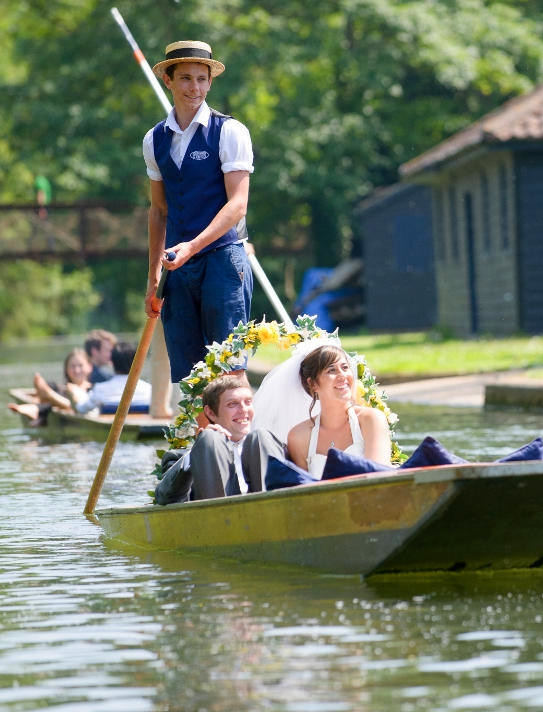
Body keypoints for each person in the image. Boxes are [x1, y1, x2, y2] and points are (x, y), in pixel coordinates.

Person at [143, 40, 254, 384]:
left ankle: (237, 438)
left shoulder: (230, 132)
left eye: (202, 79)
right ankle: (201, 440)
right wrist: (152, 278)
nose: (195, 88)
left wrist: (193, 246)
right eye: (187, 78)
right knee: (192, 379)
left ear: (210, 82)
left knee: (229, 369)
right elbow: (159, 211)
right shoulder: (154, 139)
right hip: (178, 268)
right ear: (169, 81)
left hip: (223, 259)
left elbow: (237, 205)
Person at [249, 338, 391, 479]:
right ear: (313, 384)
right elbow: (301, 487)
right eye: (332, 370)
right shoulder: (299, 437)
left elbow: (379, 476)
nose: (343, 375)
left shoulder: (371, 420)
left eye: (345, 367)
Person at [154, 374, 286, 504]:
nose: (243, 410)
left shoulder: (270, 444)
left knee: (260, 436)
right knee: (210, 438)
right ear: (210, 412)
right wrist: (199, 449)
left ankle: (271, 507)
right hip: (217, 520)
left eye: (248, 402)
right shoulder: (179, 458)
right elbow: (164, 497)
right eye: (232, 404)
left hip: (268, 516)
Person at [7, 347, 94, 424]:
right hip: (62, 395)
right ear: (66, 369)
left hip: (80, 407)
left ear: (89, 367)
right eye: (72, 366)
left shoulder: (94, 389)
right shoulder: (61, 389)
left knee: (57, 393)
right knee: (53, 387)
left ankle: (39, 407)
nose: (77, 370)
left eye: (80, 366)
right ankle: (43, 404)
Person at [70, 341, 151, 415]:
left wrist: (76, 393)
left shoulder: (100, 389)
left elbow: (81, 409)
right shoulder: (149, 390)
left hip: (109, 430)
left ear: (111, 361)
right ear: (138, 362)